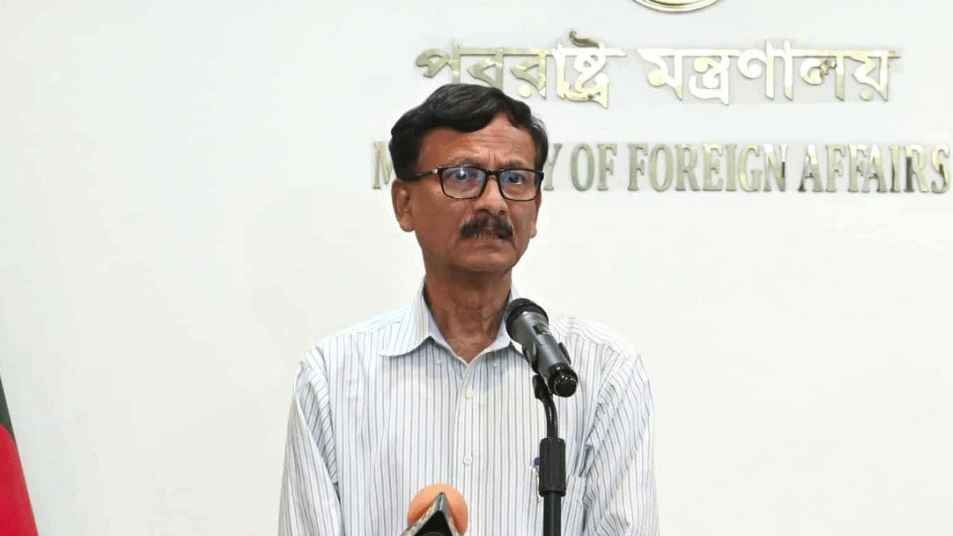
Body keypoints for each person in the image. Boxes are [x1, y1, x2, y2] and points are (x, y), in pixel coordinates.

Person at [279, 83, 658, 535]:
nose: (494, 201)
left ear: (536, 209)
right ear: (404, 204)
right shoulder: (334, 378)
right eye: (463, 175)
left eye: (515, 179)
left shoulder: (602, 372)